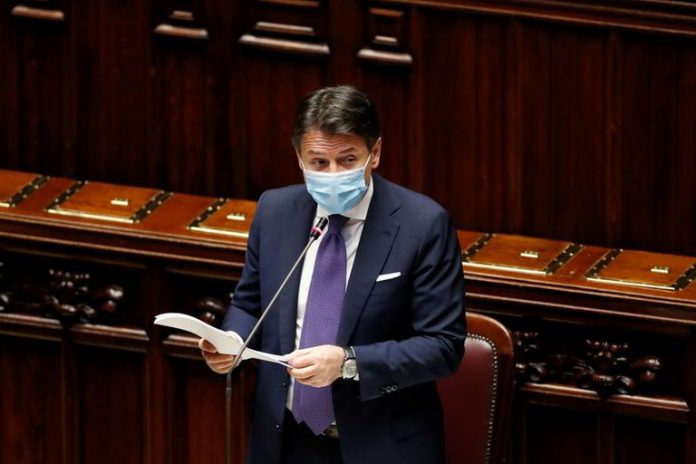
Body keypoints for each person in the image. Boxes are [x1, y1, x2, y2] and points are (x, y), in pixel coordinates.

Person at [199, 85, 466, 464]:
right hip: (285, 439)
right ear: (299, 157)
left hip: (380, 445)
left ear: (375, 153)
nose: (333, 174)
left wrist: (347, 362)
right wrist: (232, 339)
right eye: (319, 163)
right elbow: (249, 303)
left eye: (347, 159)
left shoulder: (423, 225)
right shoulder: (275, 211)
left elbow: (443, 346)